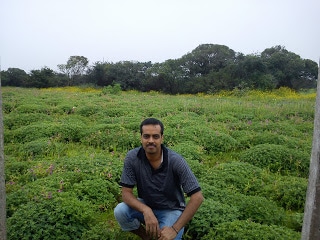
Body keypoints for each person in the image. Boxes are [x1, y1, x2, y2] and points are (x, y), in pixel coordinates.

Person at [114, 118, 204, 240]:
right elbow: (126, 193)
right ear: (141, 138)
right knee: (120, 211)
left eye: (155, 136)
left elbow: (197, 197)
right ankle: (146, 237)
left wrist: (174, 229)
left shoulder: (175, 161)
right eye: (146, 136)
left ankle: (172, 229)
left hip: (171, 209)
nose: (150, 140)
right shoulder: (132, 158)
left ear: (162, 138)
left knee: (169, 237)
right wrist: (146, 210)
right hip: (147, 204)